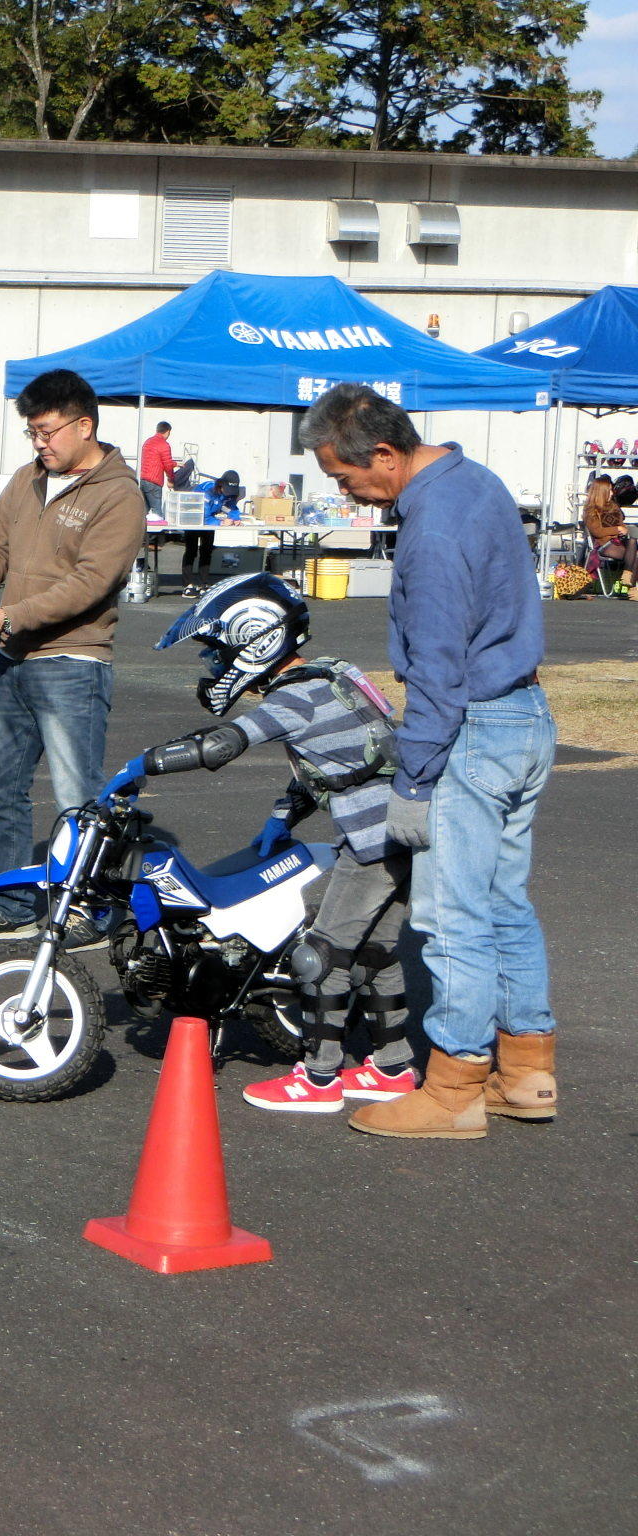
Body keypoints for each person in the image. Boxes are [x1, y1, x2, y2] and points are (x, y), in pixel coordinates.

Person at [299, 382, 555, 1139]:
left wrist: (412, 777)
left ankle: (454, 1088)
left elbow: (438, 664)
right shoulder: (476, 482)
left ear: (383, 452)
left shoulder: (432, 527)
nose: (349, 495)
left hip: (471, 726)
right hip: (525, 717)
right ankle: (528, 1070)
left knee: (452, 918)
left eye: (347, 479)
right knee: (505, 902)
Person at [141, 572, 417, 1112]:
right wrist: (281, 817)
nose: (215, 667)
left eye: (218, 653)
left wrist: (146, 764)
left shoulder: (292, 699)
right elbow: (339, 763)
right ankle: (393, 1066)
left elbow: (226, 743)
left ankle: (317, 1079)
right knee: (377, 953)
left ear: (255, 639)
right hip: (401, 830)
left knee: (321, 954)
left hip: (372, 841)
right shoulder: (332, 676)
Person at [0, 368, 145, 945]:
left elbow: (91, 583)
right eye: (32, 432)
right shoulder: (28, 478)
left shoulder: (119, 495)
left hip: (73, 662)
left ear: (84, 425)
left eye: (48, 431)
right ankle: (8, 902)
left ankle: (89, 909)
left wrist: (3, 617)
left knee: (77, 796)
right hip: (12, 659)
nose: (39, 443)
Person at [582, 476, 636, 591]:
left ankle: (627, 579)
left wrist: (624, 529)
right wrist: (617, 529)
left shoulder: (613, 506)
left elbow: (622, 524)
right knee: (635, 552)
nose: (612, 493)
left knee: (633, 540)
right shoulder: (590, 510)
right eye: (610, 491)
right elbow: (598, 532)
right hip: (605, 545)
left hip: (620, 541)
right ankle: (630, 587)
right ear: (602, 492)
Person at [138, 420, 175, 516]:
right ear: (167, 432)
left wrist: (174, 463)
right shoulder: (164, 445)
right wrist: (171, 480)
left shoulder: (148, 442)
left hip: (143, 479)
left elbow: (154, 459)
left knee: (142, 512)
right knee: (157, 514)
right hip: (154, 482)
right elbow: (167, 466)